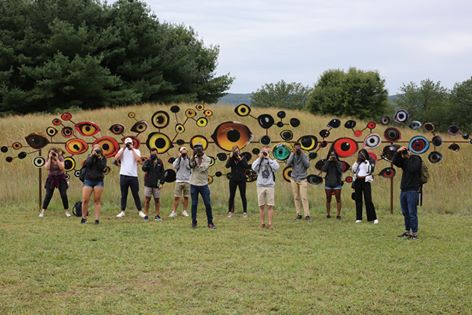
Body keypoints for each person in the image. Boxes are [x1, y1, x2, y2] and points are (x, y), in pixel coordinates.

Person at [392, 146, 422, 240]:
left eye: (406, 151)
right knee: (405, 212)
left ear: (410, 151)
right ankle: (407, 231)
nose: (404, 154)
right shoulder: (404, 161)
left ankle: (414, 233)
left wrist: (409, 157)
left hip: (413, 190)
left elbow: (413, 169)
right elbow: (395, 162)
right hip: (404, 190)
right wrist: (398, 152)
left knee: (412, 212)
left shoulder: (417, 159)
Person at [114, 137, 144, 218]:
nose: (128, 145)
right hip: (123, 175)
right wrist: (123, 148)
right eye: (127, 143)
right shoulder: (122, 150)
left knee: (135, 194)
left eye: (129, 143)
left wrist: (132, 149)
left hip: (133, 176)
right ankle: (122, 211)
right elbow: (116, 158)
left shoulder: (137, 150)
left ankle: (140, 211)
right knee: (124, 194)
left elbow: (138, 160)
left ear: (132, 143)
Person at [251, 146, 280, 229]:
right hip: (260, 185)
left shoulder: (272, 160)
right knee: (261, 205)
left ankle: (270, 224)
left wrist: (269, 158)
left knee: (270, 205)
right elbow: (253, 168)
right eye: (263, 151)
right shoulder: (258, 161)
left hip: (270, 185)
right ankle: (262, 223)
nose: (264, 153)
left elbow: (276, 168)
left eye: (266, 152)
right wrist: (260, 158)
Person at [189, 143, 215, 229]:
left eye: (199, 150)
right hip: (194, 184)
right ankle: (194, 222)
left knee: (207, 204)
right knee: (194, 204)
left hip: (204, 184)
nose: (198, 152)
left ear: (203, 150)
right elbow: (191, 166)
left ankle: (210, 222)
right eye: (196, 150)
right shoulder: (193, 158)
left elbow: (203, 168)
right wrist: (193, 156)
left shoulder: (207, 159)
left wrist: (199, 159)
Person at [39, 148, 70, 218]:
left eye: (54, 153)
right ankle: (43, 211)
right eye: (51, 153)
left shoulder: (61, 158)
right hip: (51, 178)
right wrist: (50, 158)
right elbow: (46, 168)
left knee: (63, 195)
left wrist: (57, 159)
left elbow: (62, 167)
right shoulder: (48, 158)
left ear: (57, 153)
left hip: (61, 178)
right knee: (48, 195)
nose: (52, 154)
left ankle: (66, 211)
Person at [81, 144, 107, 224]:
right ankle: (84, 217)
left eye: (98, 150)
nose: (96, 151)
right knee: (85, 200)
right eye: (95, 150)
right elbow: (88, 164)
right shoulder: (89, 156)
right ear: (92, 150)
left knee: (97, 200)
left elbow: (102, 167)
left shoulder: (103, 158)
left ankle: (97, 219)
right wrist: (92, 155)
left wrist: (99, 157)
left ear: (101, 151)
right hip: (88, 180)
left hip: (98, 181)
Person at [352, 149, 378, 224]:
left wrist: (365, 160)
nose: (361, 156)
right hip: (357, 181)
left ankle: (373, 218)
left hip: (366, 181)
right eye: (359, 154)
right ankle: (358, 218)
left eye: (362, 154)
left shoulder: (369, 161)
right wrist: (357, 161)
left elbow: (370, 170)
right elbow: (353, 170)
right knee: (358, 199)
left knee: (368, 200)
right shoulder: (357, 162)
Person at [286, 142, 311, 220]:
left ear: (301, 148)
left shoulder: (304, 155)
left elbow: (307, 165)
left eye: (298, 147)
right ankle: (298, 214)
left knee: (304, 197)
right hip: (294, 178)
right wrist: (293, 154)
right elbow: (288, 164)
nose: (297, 149)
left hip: (303, 178)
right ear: (294, 148)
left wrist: (302, 155)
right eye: (296, 147)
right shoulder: (292, 155)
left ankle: (307, 215)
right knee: (296, 197)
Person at [142, 148, 166, 222]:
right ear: (150, 153)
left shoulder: (159, 162)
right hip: (148, 184)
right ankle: (146, 215)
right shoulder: (147, 161)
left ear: (157, 153)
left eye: (155, 153)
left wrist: (162, 183)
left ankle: (157, 215)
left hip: (157, 184)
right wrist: (148, 162)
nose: (153, 154)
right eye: (152, 153)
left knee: (157, 200)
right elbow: (144, 169)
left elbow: (162, 173)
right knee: (147, 200)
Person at [225, 145, 249, 218]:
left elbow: (246, 166)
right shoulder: (231, 159)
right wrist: (230, 157)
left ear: (239, 151)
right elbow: (227, 166)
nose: (236, 152)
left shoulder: (243, 158)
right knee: (232, 195)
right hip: (233, 179)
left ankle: (245, 212)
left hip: (242, 179)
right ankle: (230, 211)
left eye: (237, 151)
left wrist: (240, 158)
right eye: (235, 151)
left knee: (243, 195)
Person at [170, 147, 191, 218]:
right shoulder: (177, 159)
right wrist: (179, 158)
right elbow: (174, 166)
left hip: (187, 180)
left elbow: (190, 167)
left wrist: (186, 158)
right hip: (179, 180)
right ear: (180, 152)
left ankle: (184, 211)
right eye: (182, 151)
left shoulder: (189, 159)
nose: (184, 152)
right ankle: (174, 211)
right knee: (176, 197)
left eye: (185, 150)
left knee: (186, 197)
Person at [322, 151, 343, 219]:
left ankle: (338, 214)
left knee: (338, 199)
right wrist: (328, 161)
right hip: (328, 183)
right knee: (328, 199)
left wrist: (336, 162)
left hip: (337, 183)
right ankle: (328, 214)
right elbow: (323, 169)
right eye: (331, 155)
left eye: (334, 155)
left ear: (336, 156)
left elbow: (340, 171)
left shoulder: (339, 163)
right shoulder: (327, 163)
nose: (333, 156)